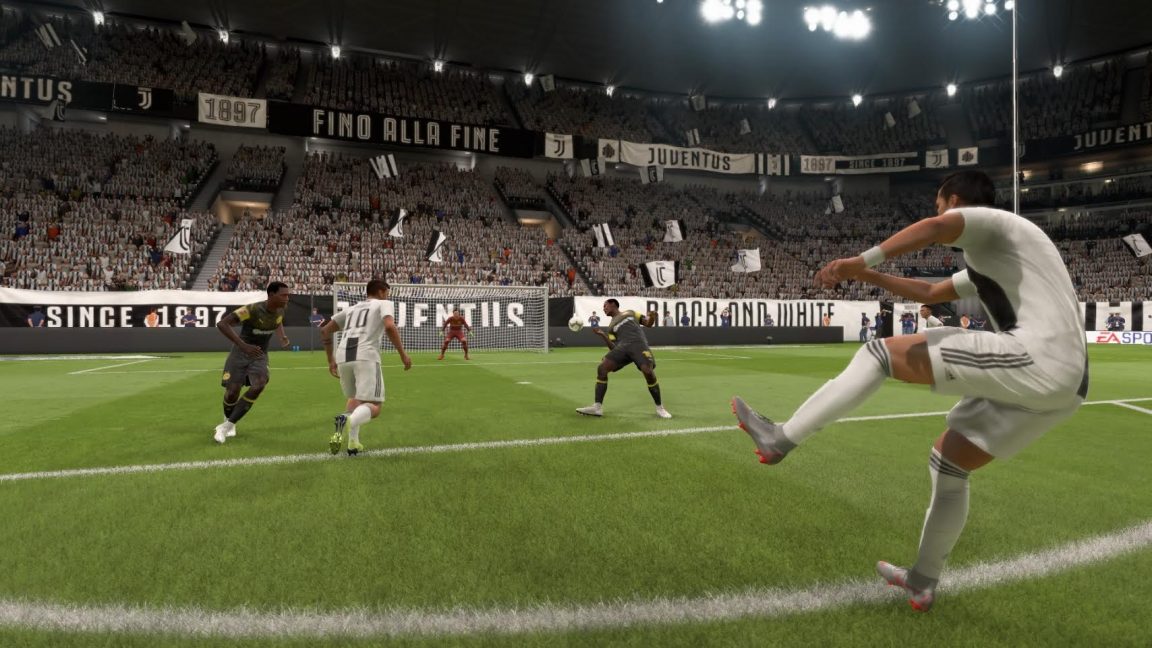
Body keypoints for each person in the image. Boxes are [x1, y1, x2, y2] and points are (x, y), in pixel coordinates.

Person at [730, 170, 1088, 612]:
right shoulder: (995, 256)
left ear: (954, 201)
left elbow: (937, 227)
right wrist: (868, 277)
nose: (939, 213)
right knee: (950, 462)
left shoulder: (997, 224)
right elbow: (931, 291)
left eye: (939, 204)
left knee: (878, 354)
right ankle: (922, 579)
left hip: (1040, 357)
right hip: (1066, 388)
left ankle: (780, 438)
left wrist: (860, 260)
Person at [321, 279, 411, 455]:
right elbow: (390, 326)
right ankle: (347, 419)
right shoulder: (384, 303)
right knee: (375, 405)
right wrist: (403, 354)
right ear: (381, 292)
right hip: (365, 355)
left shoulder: (352, 308)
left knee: (356, 398)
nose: (387, 296)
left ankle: (353, 444)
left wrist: (330, 359)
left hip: (343, 356)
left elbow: (325, 330)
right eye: (387, 293)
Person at [213, 281, 292, 444]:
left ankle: (227, 426)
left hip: (259, 354)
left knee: (260, 384)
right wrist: (243, 345)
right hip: (240, 353)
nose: (287, 298)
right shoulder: (251, 310)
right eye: (283, 295)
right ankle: (228, 419)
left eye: (287, 295)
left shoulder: (281, 309)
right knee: (232, 391)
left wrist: (282, 337)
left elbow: (278, 321)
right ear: (271, 295)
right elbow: (222, 324)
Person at [577, 299, 671, 419]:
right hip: (622, 348)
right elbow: (613, 348)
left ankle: (660, 408)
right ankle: (597, 407)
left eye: (605, 306)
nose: (604, 309)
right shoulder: (610, 327)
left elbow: (648, 323)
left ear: (613, 304)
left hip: (638, 344)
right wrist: (602, 334)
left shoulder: (630, 312)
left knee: (648, 371)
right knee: (602, 368)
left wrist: (652, 317)